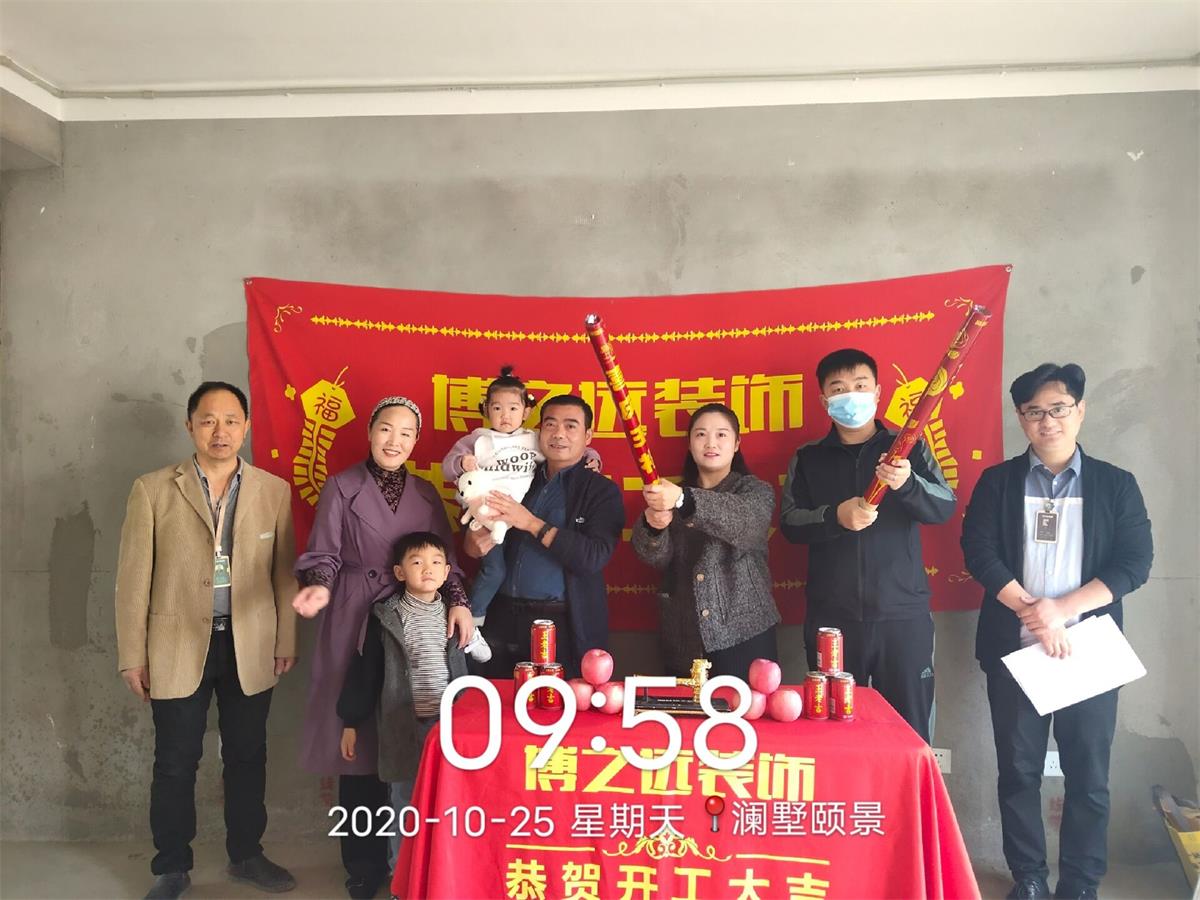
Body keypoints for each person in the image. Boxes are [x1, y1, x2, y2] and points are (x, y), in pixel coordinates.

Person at [961, 363, 1152, 900]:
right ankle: (1029, 878)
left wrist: (1062, 610)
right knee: (1018, 771)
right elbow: (978, 551)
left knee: (1088, 777)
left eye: (1059, 408)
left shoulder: (1115, 484)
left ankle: (1081, 883)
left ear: (1080, 410)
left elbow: (1134, 563)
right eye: (1034, 412)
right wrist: (1034, 614)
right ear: (1020, 418)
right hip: (1015, 650)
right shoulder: (998, 482)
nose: (1047, 421)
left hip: (1087, 650)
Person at [115, 381, 298, 900]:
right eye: (208, 420)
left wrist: (286, 638)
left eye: (231, 420)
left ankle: (246, 854)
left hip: (249, 643)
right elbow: (132, 580)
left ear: (247, 426)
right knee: (175, 760)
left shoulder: (272, 490)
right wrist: (132, 655)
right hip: (175, 643)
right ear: (190, 425)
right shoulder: (153, 489)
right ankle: (171, 866)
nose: (221, 431)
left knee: (247, 755)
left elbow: (284, 573)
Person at [290, 396, 474, 900]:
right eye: (386, 429)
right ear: (370, 432)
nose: (395, 441)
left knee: (407, 737)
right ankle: (362, 865)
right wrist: (320, 587)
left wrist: (459, 602)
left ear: (416, 441)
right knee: (357, 744)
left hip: (416, 620)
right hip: (354, 616)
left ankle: (410, 860)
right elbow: (324, 553)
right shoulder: (341, 486)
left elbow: (445, 561)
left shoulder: (426, 493)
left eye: (406, 433)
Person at [780, 348, 955, 742]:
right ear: (824, 400)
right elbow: (789, 523)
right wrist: (835, 517)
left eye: (860, 386)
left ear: (877, 393)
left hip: (902, 615)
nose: (851, 396)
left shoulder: (908, 447)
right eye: (839, 389)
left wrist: (907, 484)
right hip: (833, 618)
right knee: (834, 732)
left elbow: (944, 506)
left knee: (910, 731)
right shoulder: (807, 458)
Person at [465, 394, 624, 678]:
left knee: (556, 701)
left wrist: (530, 523)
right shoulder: (515, 476)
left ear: (588, 436)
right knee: (495, 698)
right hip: (500, 616)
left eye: (570, 426)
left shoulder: (601, 490)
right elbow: (473, 535)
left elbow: (593, 557)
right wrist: (473, 544)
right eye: (550, 424)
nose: (559, 434)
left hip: (561, 621)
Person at [441, 367, 600, 645]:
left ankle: (477, 622)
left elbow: (570, 448)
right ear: (486, 410)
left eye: (513, 408)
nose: (505, 415)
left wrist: (594, 458)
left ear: (526, 412)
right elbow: (448, 466)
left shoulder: (533, 440)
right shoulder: (478, 439)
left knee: (510, 566)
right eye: (497, 408)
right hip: (487, 514)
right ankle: (474, 622)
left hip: (519, 518)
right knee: (494, 571)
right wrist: (461, 462)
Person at [337, 531, 467, 869]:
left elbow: (472, 665)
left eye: (436, 562)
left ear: (447, 571)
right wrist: (351, 721)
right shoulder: (386, 617)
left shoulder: (454, 615)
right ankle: (401, 874)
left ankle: (442, 873)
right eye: (417, 562)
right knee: (404, 802)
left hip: (448, 729)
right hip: (404, 726)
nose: (428, 569)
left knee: (449, 801)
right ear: (399, 572)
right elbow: (365, 671)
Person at [631, 403, 781, 679]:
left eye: (721, 434)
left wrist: (683, 500)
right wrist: (654, 527)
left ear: (737, 444)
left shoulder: (755, 490)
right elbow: (655, 559)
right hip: (684, 637)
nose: (711, 443)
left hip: (745, 634)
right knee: (685, 708)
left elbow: (747, 524)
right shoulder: (669, 495)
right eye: (700, 434)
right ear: (689, 444)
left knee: (749, 706)